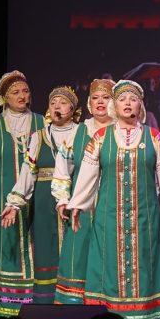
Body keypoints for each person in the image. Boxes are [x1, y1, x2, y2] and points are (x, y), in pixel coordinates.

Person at [66, 80, 160, 319]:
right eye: (122, 99)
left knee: (144, 268)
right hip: (109, 219)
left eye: (133, 99)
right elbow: (87, 175)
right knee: (109, 269)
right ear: (115, 105)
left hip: (145, 219)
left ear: (140, 105)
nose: (128, 103)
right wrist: (77, 205)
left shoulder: (154, 137)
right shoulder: (101, 138)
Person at [0, 70, 45, 317]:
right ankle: (0, 303)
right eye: (15, 92)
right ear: (4, 98)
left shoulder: (41, 123)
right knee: (2, 243)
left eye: (25, 91)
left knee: (33, 245)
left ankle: (32, 302)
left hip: (34, 195)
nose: (22, 96)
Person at [0, 86, 82, 305]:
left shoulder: (82, 132)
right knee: (46, 249)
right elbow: (28, 171)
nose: (57, 107)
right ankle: (47, 303)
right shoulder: (39, 136)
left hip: (75, 197)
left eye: (62, 102)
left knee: (75, 248)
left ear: (72, 109)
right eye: (52, 103)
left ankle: (73, 302)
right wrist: (14, 203)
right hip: (44, 200)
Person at [52, 78, 115, 304]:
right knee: (77, 256)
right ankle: (74, 306)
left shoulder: (121, 132)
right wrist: (62, 199)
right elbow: (62, 168)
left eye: (106, 98)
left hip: (112, 207)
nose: (100, 102)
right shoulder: (78, 132)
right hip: (83, 209)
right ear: (89, 103)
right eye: (95, 98)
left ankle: (108, 303)